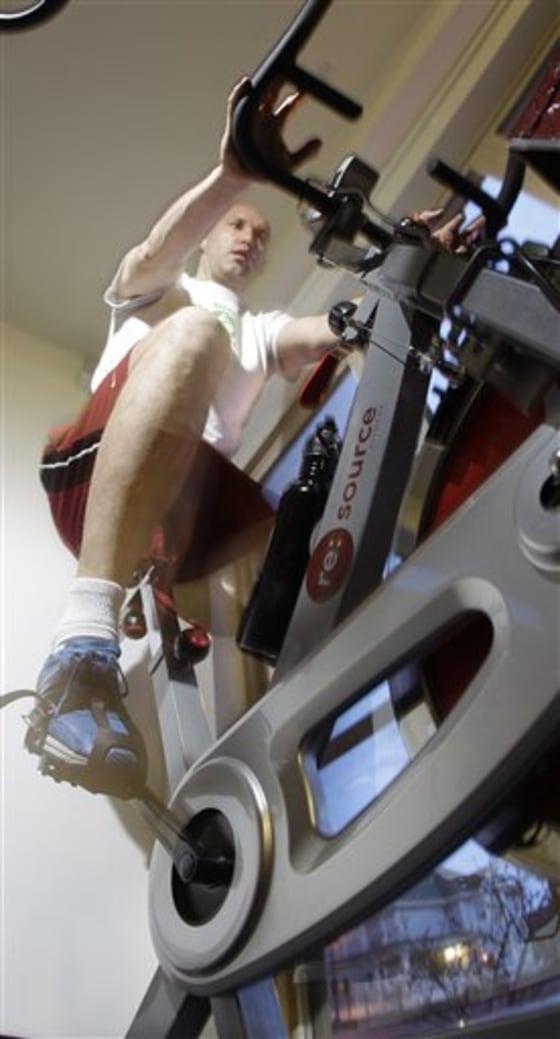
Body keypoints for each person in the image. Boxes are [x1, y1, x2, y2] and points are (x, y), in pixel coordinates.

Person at [23, 78, 483, 800]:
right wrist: (233, 177)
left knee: (317, 584)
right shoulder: (163, 291)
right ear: (209, 236)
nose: (249, 238)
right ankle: (78, 650)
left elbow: (335, 328)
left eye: (262, 236)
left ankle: (310, 778)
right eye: (237, 226)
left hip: (189, 519)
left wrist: (414, 267)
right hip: (95, 473)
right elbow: (154, 250)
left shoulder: (260, 333)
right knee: (197, 334)